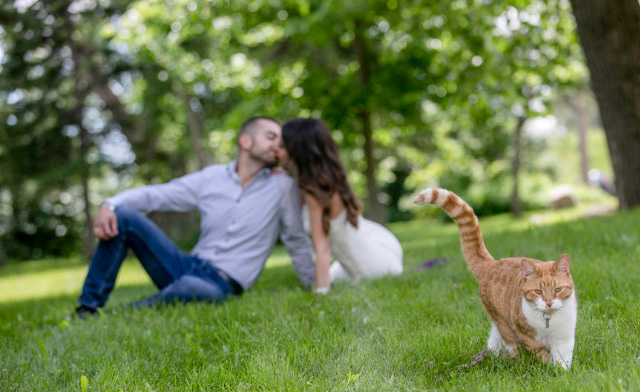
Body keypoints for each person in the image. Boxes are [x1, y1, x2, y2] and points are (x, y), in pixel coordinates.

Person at [75, 117, 315, 317]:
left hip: (221, 283)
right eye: (271, 137)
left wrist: (315, 286)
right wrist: (110, 204)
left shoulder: (283, 186)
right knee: (123, 214)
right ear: (246, 141)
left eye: (281, 142)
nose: (278, 146)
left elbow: (296, 239)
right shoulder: (212, 177)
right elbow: (158, 194)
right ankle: (87, 308)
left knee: (190, 288)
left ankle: (120, 315)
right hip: (187, 265)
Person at [278, 117, 403, 294]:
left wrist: (321, 292)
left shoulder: (313, 193)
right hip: (381, 245)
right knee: (337, 273)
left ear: (297, 151)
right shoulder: (329, 181)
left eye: (282, 147)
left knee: (337, 278)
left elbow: (322, 248)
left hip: (373, 267)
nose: (276, 151)